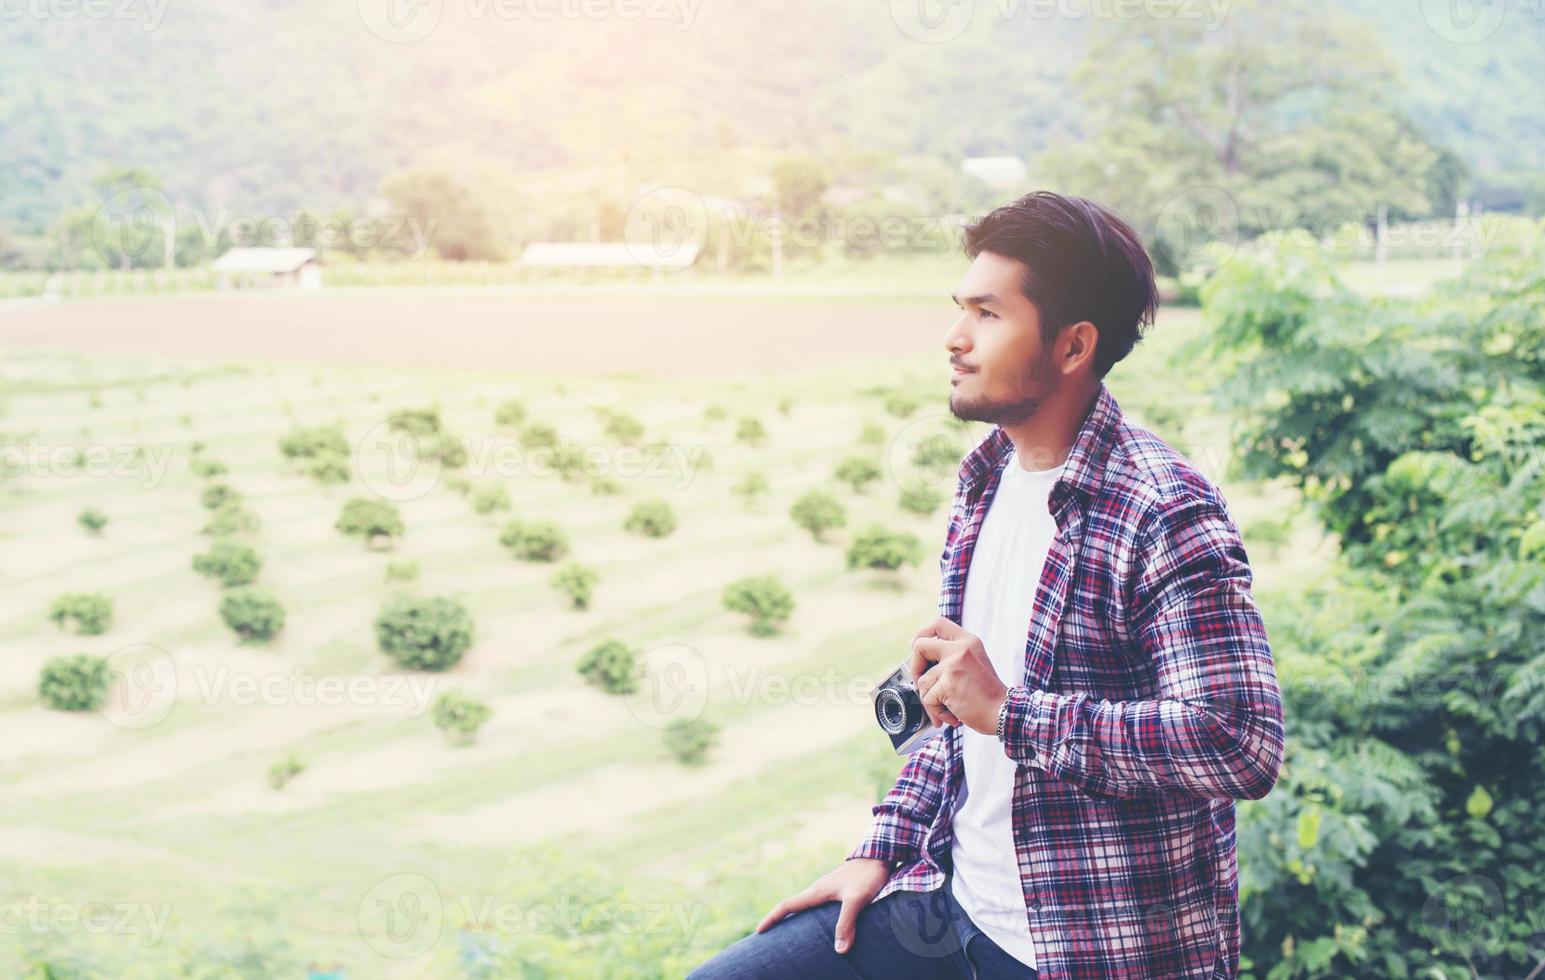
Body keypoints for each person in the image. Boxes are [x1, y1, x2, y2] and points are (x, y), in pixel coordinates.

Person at [686, 191, 1284, 979]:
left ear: (1072, 347)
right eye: (958, 309)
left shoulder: (1163, 509)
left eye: (987, 315)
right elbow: (955, 714)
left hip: (1090, 948)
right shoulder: (985, 478)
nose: (953, 338)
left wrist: (1010, 713)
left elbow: (1238, 740)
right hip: (949, 902)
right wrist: (882, 849)